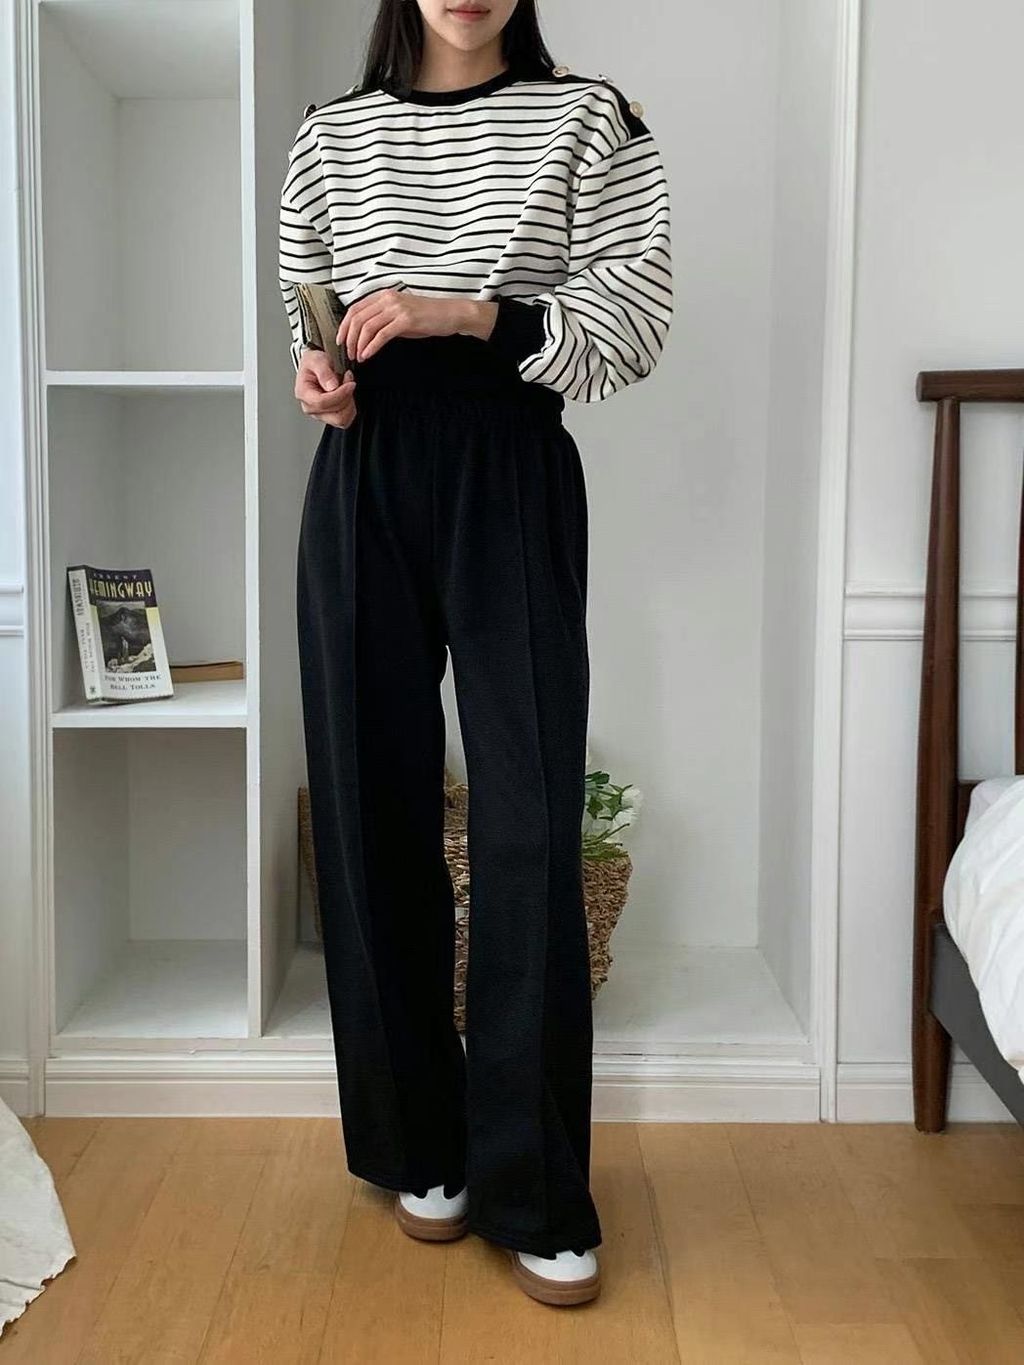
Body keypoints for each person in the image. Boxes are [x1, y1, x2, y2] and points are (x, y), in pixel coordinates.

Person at [278, 0, 672, 1307]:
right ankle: (420, 1143)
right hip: (364, 474)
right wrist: (320, 376)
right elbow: (308, 320)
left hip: (509, 457)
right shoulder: (329, 134)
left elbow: (631, 330)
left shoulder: (588, 119)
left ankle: (538, 1183)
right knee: (369, 805)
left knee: (527, 819)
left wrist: (463, 310)